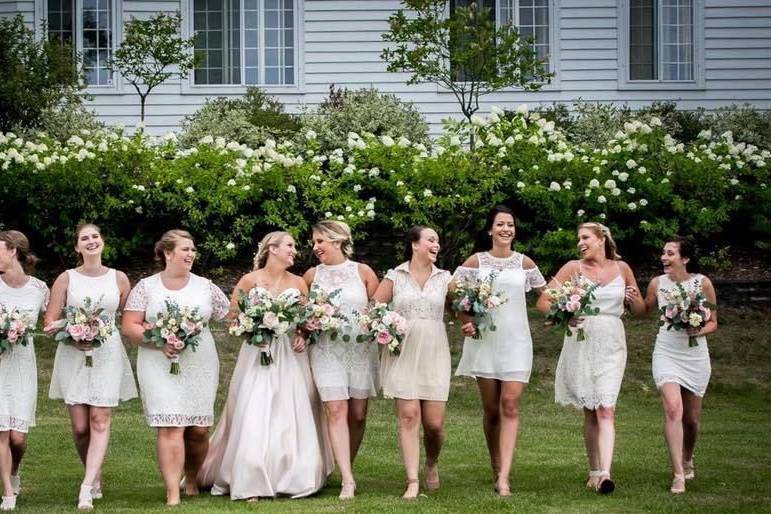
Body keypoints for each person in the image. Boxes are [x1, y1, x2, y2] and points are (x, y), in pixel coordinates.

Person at [198, 231, 333, 500]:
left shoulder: (298, 282)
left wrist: (301, 334)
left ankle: (293, 475)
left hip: (290, 358)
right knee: (254, 408)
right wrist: (253, 328)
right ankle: (250, 476)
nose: (295, 251)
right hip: (257, 353)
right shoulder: (250, 280)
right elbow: (232, 318)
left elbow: (305, 321)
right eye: (290, 246)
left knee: (290, 411)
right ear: (272, 249)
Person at [121, 230, 229, 506]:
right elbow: (130, 326)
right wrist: (159, 342)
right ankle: (172, 492)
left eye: (193, 250)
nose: (191, 254)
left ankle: (191, 478)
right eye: (185, 249)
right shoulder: (147, 287)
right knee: (170, 426)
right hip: (158, 363)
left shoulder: (206, 286)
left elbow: (230, 317)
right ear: (167, 253)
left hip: (200, 362)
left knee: (198, 430)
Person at [536, 222, 646, 494]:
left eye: (585, 237)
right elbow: (543, 302)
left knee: (606, 407)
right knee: (591, 409)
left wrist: (633, 300)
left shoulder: (623, 269)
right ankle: (594, 469)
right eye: (578, 239)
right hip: (582, 340)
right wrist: (566, 314)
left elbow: (642, 311)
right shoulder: (573, 268)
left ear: (601, 239)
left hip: (611, 341)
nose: (580, 243)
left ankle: (606, 474)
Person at [454, 206, 547, 496]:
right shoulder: (476, 262)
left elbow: (546, 296)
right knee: (492, 409)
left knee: (510, 404)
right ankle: (495, 464)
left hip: (517, 341)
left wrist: (568, 310)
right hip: (485, 342)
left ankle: (504, 476)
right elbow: (454, 296)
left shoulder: (525, 264)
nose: (506, 229)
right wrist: (466, 321)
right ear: (490, 230)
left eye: (510, 224)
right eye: (500, 224)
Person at [44, 223, 137, 509]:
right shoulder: (66, 278)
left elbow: (127, 316)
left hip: (107, 353)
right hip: (73, 354)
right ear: (77, 247)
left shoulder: (119, 279)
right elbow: (49, 322)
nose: (91, 241)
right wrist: (73, 331)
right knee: (81, 427)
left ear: (103, 242)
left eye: (95, 236)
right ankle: (93, 474)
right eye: (84, 238)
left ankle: (87, 486)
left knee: (100, 418)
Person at [373, 226, 452, 499]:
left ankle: (431, 462)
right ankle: (412, 480)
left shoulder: (445, 278)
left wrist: (472, 317)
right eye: (431, 240)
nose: (436, 245)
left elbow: (461, 307)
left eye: (438, 241)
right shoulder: (395, 276)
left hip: (434, 352)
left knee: (434, 425)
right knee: (409, 417)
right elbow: (374, 309)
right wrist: (384, 327)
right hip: (403, 352)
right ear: (415, 244)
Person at [303, 220, 379, 499]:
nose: (315, 247)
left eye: (320, 241)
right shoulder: (312, 275)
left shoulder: (364, 272)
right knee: (336, 410)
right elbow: (302, 313)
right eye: (314, 242)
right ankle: (348, 480)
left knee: (358, 415)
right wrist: (307, 325)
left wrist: (379, 325)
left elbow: (379, 308)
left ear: (337, 240)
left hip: (359, 350)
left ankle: (344, 463)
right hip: (326, 350)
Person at [643, 236, 718, 494]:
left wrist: (697, 330)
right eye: (663, 253)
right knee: (673, 409)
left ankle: (688, 457)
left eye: (670, 253)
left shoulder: (702, 283)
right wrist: (631, 300)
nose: (664, 257)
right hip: (666, 352)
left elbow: (713, 322)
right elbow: (643, 310)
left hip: (695, 355)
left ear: (684, 258)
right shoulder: (657, 284)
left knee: (692, 420)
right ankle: (678, 474)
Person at [0, 231, 48, 512]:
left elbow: (52, 319)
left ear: (13, 251)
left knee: (18, 438)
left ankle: (15, 468)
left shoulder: (39, 289)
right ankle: (8, 491)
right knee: (2, 432)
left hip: (23, 366)